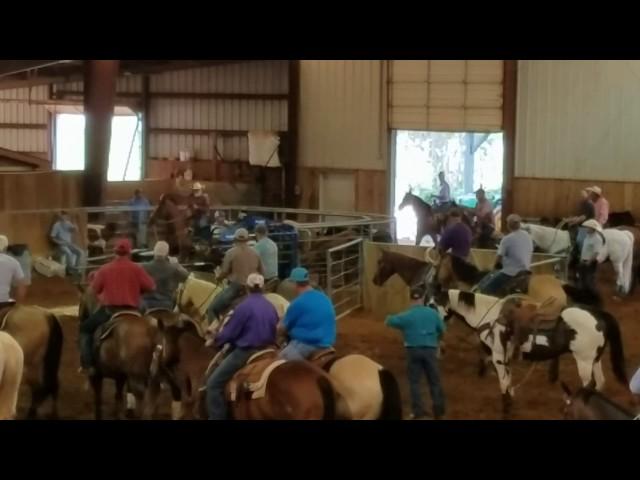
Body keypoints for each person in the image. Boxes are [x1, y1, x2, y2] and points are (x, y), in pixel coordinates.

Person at [206, 273, 279, 420]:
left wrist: (215, 340)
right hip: (270, 350)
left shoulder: (243, 307)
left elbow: (229, 333)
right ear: (263, 287)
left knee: (213, 385)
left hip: (247, 351)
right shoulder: (271, 306)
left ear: (247, 288)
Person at [79, 238, 155, 376]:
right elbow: (151, 287)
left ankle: (87, 364)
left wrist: (103, 295)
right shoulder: (137, 268)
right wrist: (137, 291)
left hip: (110, 311)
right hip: (134, 311)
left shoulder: (105, 269)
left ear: (115, 252)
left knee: (85, 329)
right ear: (129, 252)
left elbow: (92, 291)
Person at [385, 286, 446, 420]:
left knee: (414, 382)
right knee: (434, 380)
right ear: (423, 299)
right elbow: (442, 329)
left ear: (411, 300)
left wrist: (391, 317)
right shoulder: (432, 313)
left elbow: (390, 321)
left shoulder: (407, 315)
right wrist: (437, 339)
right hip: (430, 349)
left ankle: (418, 412)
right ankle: (438, 411)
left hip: (413, 350)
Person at [278, 267, 336, 361]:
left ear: (295, 284)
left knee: (279, 362)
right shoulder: (324, 297)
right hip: (327, 342)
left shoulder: (297, 303)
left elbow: (282, 328)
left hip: (306, 344)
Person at [208, 228, 263, 322]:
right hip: (254, 287)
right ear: (248, 239)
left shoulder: (231, 253)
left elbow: (224, 272)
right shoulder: (256, 253)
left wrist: (218, 278)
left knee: (212, 309)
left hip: (236, 287)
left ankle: (214, 333)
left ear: (235, 239)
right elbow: (262, 272)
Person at [477, 214, 533, 296]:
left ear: (508, 225)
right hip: (526, 270)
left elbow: (499, 257)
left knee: (485, 289)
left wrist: (494, 266)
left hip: (510, 272)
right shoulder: (528, 236)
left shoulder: (507, 239)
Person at [141, 241, 189, 311]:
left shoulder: (144, 267)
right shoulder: (173, 268)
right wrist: (177, 264)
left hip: (147, 304)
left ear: (154, 252)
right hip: (166, 304)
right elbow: (187, 276)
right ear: (167, 254)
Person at [50, 211, 84, 276]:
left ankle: (76, 268)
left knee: (80, 252)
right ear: (60, 217)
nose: (64, 218)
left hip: (69, 243)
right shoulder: (56, 225)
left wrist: (75, 221)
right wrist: (60, 242)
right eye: (63, 217)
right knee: (69, 253)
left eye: (66, 217)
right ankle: (70, 270)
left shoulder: (68, 223)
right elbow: (52, 237)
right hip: (61, 245)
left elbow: (74, 230)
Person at [578, 219, 605, 295]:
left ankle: (592, 296)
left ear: (592, 228)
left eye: (588, 227)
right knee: (582, 279)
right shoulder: (587, 237)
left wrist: (589, 261)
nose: (586, 229)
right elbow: (585, 249)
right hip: (583, 260)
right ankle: (584, 295)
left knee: (589, 280)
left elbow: (596, 252)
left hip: (590, 262)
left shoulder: (597, 239)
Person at [566, 189, 596, 254]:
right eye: (581, 196)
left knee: (580, 241)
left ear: (587, 195)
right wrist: (569, 219)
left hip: (587, 227)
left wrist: (573, 222)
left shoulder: (589, 204)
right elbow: (579, 216)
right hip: (582, 226)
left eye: (583, 195)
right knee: (578, 240)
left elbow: (583, 217)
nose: (581, 197)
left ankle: (583, 255)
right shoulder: (583, 204)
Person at [0, 235, 27, 307]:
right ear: (6, 247)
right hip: (3, 302)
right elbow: (22, 285)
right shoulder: (13, 262)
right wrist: (19, 304)